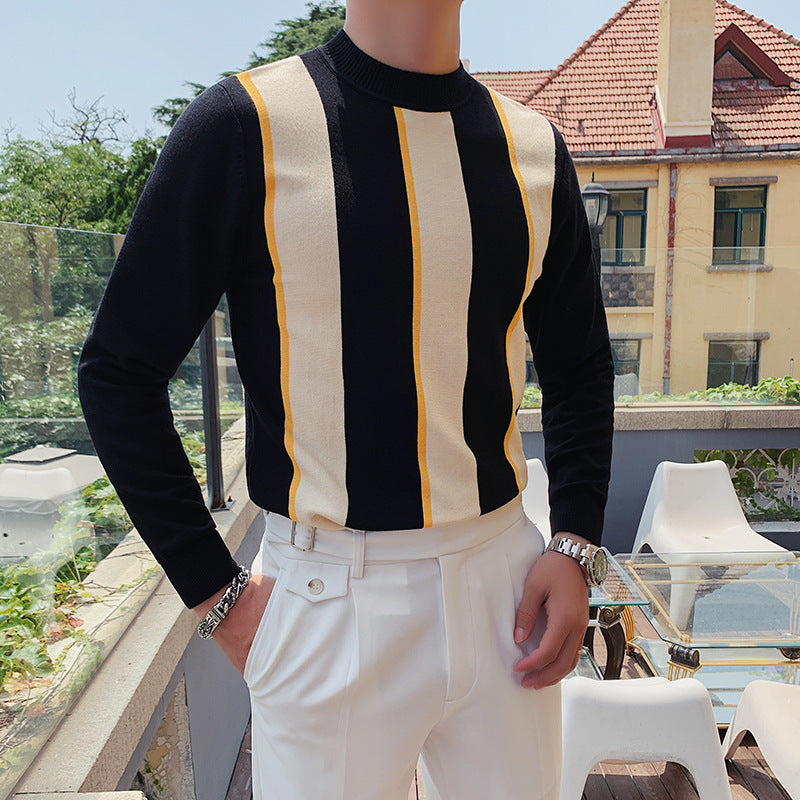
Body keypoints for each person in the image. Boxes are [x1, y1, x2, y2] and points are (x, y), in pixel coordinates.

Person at [77, 0, 615, 797]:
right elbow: (118, 371)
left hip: (506, 583)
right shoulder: (246, 125)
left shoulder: (533, 149)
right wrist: (217, 596)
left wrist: (574, 544)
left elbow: (580, 364)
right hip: (329, 595)